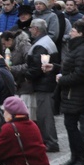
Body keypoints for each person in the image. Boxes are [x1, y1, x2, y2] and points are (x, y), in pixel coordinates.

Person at [47, 21, 84, 165]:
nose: (70, 33)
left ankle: (82, 159)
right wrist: (55, 68)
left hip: (76, 94)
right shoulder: (76, 49)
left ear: (80, 34)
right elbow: (70, 68)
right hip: (71, 94)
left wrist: (62, 79)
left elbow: (80, 74)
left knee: (72, 127)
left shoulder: (83, 50)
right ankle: (75, 157)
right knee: (70, 126)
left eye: (73, 31)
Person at [25, 19, 60, 153]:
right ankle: (48, 141)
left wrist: (26, 75)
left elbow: (37, 68)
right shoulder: (46, 42)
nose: (29, 30)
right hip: (47, 83)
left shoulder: (41, 45)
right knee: (44, 115)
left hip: (44, 85)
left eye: (31, 28)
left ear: (36, 29)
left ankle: (50, 142)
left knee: (45, 115)